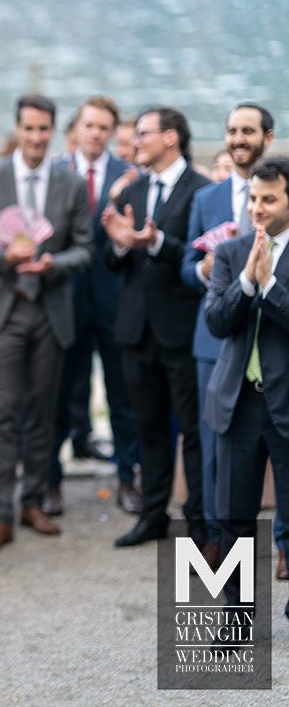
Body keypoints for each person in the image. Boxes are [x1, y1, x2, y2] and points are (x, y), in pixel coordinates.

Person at [0, 94, 93, 554]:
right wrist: (2, 256)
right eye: (29, 128)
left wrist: (52, 263)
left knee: (43, 411)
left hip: (49, 311)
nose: (36, 137)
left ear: (53, 131)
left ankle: (34, 501)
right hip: (4, 310)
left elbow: (85, 248)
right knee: (2, 414)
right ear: (17, 129)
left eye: (44, 129)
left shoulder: (71, 183)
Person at [103, 107, 211, 548]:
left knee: (192, 429)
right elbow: (115, 262)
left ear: (170, 138)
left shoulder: (203, 190)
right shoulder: (134, 189)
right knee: (147, 426)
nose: (134, 142)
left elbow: (203, 255)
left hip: (181, 329)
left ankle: (199, 521)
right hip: (137, 329)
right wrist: (119, 243)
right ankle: (153, 515)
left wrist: (158, 242)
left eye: (142, 134)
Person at [182, 102, 276, 568]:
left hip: (273, 346)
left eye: (248, 131)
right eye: (232, 130)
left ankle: (282, 543)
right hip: (215, 343)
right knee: (214, 446)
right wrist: (207, 268)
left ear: (267, 138)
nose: (239, 139)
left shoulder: (279, 196)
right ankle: (217, 537)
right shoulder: (207, 198)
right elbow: (186, 270)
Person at [203, 155, 289, 620]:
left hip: (286, 404)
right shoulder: (232, 251)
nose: (257, 208)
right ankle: (236, 614)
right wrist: (247, 284)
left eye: (269, 199)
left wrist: (270, 284)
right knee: (234, 520)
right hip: (237, 406)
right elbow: (216, 322)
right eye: (254, 198)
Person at [48, 95, 141, 517]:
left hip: (114, 300)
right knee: (60, 393)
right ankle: (50, 483)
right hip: (66, 300)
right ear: (77, 129)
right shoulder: (56, 172)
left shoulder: (129, 175)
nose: (96, 134)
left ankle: (127, 480)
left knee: (122, 395)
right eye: (90, 125)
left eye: (104, 127)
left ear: (112, 132)